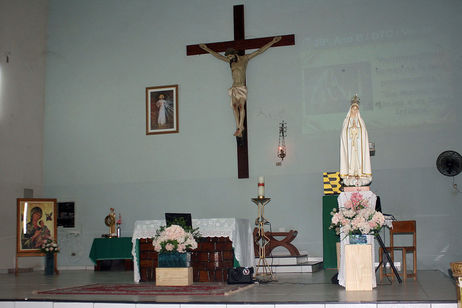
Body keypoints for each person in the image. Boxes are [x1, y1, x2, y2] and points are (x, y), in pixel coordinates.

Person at [199, 36, 282, 137]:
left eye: (230, 57)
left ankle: (241, 126)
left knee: (241, 106)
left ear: (234, 54)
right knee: (234, 107)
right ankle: (238, 127)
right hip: (234, 87)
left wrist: (272, 42)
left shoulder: (245, 59)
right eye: (228, 57)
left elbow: (259, 51)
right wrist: (206, 48)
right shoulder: (230, 62)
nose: (229, 59)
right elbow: (218, 56)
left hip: (241, 87)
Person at [340, 94, 372, 186]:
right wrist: (351, 130)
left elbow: (363, 134)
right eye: (353, 109)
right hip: (350, 148)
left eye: (356, 109)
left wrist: (357, 129)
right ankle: (350, 176)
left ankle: (360, 176)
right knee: (351, 162)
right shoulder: (346, 122)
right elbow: (343, 135)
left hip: (358, 149)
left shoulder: (361, 122)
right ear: (350, 110)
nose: (354, 111)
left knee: (359, 161)